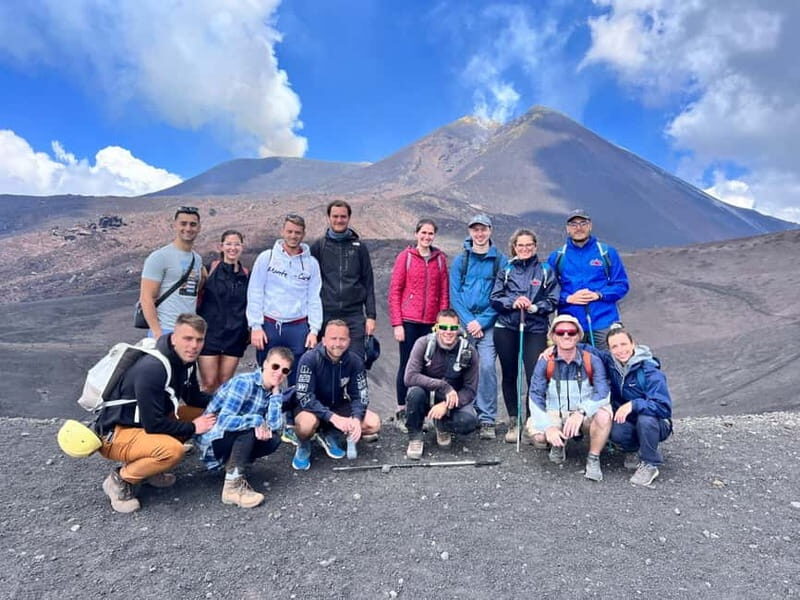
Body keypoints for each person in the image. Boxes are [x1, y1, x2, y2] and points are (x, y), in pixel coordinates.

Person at [95, 313, 217, 513]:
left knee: (206, 413)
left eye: (199, 340)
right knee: (173, 451)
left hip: (143, 425)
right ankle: (120, 480)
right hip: (116, 433)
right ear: (174, 338)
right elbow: (154, 424)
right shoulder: (153, 369)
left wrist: (225, 400)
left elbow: (193, 398)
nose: (194, 346)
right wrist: (193, 427)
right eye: (188, 338)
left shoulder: (186, 361)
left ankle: (150, 469)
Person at [195, 347, 294, 508]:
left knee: (273, 439)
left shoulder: (273, 391)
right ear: (265, 364)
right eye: (275, 366)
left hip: (232, 437)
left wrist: (276, 396)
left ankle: (233, 465)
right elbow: (224, 421)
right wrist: (256, 420)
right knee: (249, 429)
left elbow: (275, 426)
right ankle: (232, 488)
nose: (279, 373)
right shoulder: (244, 383)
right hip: (213, 439)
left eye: (285, 370)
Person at [490, 228, 558, 444]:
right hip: (507, 327)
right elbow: (495, 298)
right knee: (509, 375)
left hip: (535, 328)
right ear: (514, 247)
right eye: (521, 245)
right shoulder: (506, 269)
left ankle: (532, 422)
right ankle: (513, 421)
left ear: (535, 246)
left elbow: (553, 300)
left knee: (535, 376)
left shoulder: (545, 270)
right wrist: (513, 302)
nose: (525, 248)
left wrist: (535, 307)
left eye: (529, 245)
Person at [527, 315, 612, 482]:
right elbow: (535, 395)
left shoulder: (591, 360)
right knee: (540, 436)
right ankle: (557, 444)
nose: (566, 336)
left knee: (604, 415)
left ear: (578, 335)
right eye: (560, 332)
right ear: (553, 336)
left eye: (571, 332)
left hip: (583, 413)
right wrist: (547, 427)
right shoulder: (545, 361)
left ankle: (593, 458)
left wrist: (581, 412)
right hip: (556, 412)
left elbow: (603, 392)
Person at [589, 324, 673, 486]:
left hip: (655, 422)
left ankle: (650, 463)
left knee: (645, 420)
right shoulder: (611, 363)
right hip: (628, 418)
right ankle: (633, 449)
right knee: (615, 429)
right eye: (614, 346)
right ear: (609, 350)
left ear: (633, 344)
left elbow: (663, 408)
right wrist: (554, 348)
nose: (620, 350)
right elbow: (587, 350)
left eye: (624, 344)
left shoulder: (649, 371)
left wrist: (633, 404)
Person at [291, 319, 381, 470]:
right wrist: (333, 418)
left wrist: (356, 418)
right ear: (324, 340)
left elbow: (360, 395)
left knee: (373, 423)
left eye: (342, 339)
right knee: (305, 425)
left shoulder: (355, 361)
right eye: (333, 338)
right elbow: (304, 396)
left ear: (349, 341)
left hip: (337, 405)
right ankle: (303, 444)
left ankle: (330, 433)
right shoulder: (309, 359)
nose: (338, 343)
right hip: (310, 408)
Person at [247, 214, 322, 384]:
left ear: (303, 234)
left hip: (298, 328)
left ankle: (292, 403)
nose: (293, 236)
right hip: (270, 326)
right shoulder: (267, 258)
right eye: (289, 231)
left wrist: (314, 330)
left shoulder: (311, 264)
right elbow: (255, 291)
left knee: (298, 378)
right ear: (282, 232)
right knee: (266, 377)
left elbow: (314, 297)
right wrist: (255, 326)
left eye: (297, 232)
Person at [389, 218, 449, 430]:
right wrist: (397, 323)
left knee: (429, 367)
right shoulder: (405, 257)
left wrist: (442, 323)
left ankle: (421, 413)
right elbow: (395, 291)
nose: (426, 237)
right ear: (416, 234)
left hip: (431, 323)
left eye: (430, 233)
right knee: (407, 365)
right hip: (409, 321)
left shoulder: (440, 259)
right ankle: (401, 410)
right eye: (423, 232)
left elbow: (444, 293)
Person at [449, 213, 506, 440]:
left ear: (490, 230)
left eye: (483, 229)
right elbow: (455, 294)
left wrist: (481, 322)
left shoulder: (500, 261)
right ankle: (458, 412)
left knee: (487, 367)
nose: (479, 234)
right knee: (458, 366)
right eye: (475, 229)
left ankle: (487, 418)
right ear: (470, 232)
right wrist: (469, 322)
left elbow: (501, 295)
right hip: (465, 323)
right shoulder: (461, 260)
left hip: (488, 324)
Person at [547, 209, 629, 350]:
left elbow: (621, 285)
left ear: (590, 226)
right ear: (567, 229)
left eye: (583, 223)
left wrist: (599, 295)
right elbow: (549, 290)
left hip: (604, 321)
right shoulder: (558, 256)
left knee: (610, 361)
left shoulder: (606, 253)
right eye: (574, 224)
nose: (578, 228)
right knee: (573, 362)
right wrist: (568, 298)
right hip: (571, 324)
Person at [403, 309, 479, 460]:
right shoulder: (423, 343)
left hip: (450, 400)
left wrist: (446, 405)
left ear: (458, 329)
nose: (448, 332)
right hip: (425, 394)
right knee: (415, 393)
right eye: (443, 327)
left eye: (453, 328)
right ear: (436, 328)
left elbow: (470, 390)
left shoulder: (469, 351)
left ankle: (442, 424)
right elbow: (409, 377)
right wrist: (444, 386)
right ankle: (415, 436)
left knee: (468, 421)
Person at [310, 200, 376, 360]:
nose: (339, 220)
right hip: (326, 313)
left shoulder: (359, 247)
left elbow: (368, 282)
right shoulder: (319, 247)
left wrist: (371, 316)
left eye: (343, 216)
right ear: (328, 217)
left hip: (354, 315)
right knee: (324, 361)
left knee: (355, 360)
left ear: (349, 218)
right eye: (335, 216)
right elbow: (310, 283)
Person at [139, 206, 204, 338]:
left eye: (193, 224)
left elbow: (199, 285)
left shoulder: (197, 259)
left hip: (189, 332)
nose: (188, 228)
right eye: (183, 224)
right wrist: (157, 332)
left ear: (199, 228)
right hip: (166, 330)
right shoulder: (160, 257)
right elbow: (146, 298)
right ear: (175, 225)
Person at [197, 230, 250, 393]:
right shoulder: (208, 270)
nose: (232, 248)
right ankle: (205, 410)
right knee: (209, 383)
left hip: (234, 336)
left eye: (236, 244)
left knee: (225, 384)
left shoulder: (246, 275)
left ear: (242, 247)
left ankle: (221, 410)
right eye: (228, 244)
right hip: (209, 334)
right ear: (221, 246)